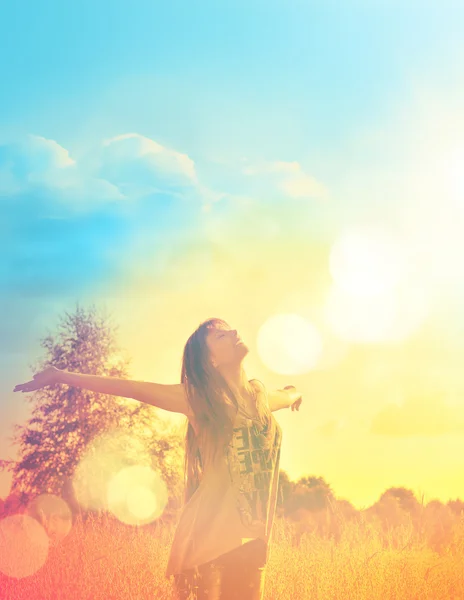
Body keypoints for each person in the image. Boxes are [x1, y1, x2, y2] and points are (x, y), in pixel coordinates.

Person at [13, 317, 303, 599]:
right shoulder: (200, 398)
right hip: (209, 543)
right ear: (210, 361)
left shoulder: (260, 398)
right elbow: (133, 388)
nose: (234, 332)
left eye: (229, 330)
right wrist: (61, 375)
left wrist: (295, 393)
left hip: (253, 543)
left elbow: (288, 394)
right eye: (221, 336)